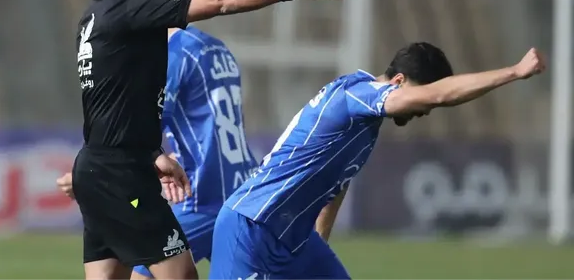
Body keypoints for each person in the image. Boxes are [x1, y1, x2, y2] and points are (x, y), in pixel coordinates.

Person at [72, 0, 356, 280]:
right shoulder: (133, 5)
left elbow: (112, 101)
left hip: (96, 170)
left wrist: (152, 153)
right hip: (122, 177)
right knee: (182, 276)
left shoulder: (95, 13)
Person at [208, 43, 546, 280]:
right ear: (398, 82)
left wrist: (319, 243)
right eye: (418, 99)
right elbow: (439, 95)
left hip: (294, 240)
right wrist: (514, 72)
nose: (423, 110)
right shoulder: (356, 94)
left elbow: (335, 185)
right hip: (251, 227)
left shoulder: (365, 125)